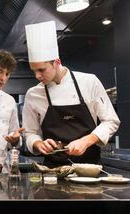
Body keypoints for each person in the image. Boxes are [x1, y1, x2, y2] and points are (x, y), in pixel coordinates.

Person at [22, 20, 120, 167]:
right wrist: (38, 143)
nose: (37, 76)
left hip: (89, 169)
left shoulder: (89, 82)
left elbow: (111, 121)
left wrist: (86, 141)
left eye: (41, 70)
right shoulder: (33, 94)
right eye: (34, 70)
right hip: (52, 171)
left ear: (57, 62)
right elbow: (30, 132)